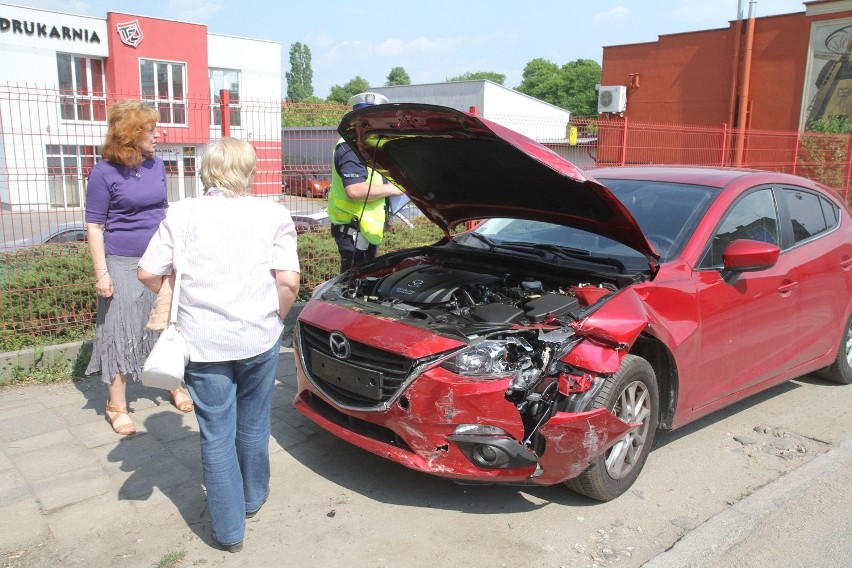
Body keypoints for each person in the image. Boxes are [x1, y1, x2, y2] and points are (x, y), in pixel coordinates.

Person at [138, 137, 300, 553]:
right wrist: (277, 316)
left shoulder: (183, 213)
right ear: (250, 171)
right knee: (253, 423)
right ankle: (252, 498)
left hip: (203, 341)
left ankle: (228, 532)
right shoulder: (273, 214)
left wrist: (176, 294)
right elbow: (289, 281)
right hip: (258, 336)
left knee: (215, 433)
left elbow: (146, 272)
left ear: (204, 170)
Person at [85, 100, 194, 437]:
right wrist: (101, 273)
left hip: (159, 259)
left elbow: (163, 210)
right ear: (131, 135)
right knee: (118, 330)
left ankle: (171, 381)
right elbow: (94, 227)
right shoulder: (102, 173)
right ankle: (116, 404)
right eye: (150, 130)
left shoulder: (156, 164)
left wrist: (179, 249)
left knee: (167, 323)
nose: (158, 135)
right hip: (121, 261)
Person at [328, 92, 404, 272]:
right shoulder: (350, 148)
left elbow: (374, 181)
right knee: (353, 288)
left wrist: (386, 214)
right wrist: (393, 189)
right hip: (353, 231)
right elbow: (355, 190)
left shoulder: (367, 146)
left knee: (364, 285)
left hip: (364, 231)